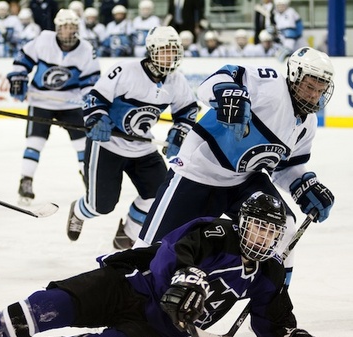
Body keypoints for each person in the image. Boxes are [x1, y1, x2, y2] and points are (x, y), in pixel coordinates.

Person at [0, 192, 323, 337]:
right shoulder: (214, 232)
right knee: (49, 305)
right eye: (257, 228)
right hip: (130, 284)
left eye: (271, 234)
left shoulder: (268, 273)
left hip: (161, 329)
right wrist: (186, 280)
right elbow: (172, 252)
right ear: (242, 223)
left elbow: (272, 317)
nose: (262, 238)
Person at [138, 47, 336, 291]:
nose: (314, 95)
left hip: (243, 181)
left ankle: (274, 300)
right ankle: (124, 294)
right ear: (294, 76)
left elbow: (286, 167)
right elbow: (211, 84)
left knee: (283, 226)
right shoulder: (271, 86)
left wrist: (304, 186)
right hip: (197, 172)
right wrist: (228, 95)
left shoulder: (308, 124)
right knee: (150, 250)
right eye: (309, 86)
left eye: (320, 89)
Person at [67, 26, 199, 250]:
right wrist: (97, 119)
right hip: (108, 145)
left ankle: (127, 232)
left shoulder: (176, 81)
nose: (170, 56)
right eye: (164, 50)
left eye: (174, 51)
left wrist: (180, 133)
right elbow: (95, 98)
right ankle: (79, 210)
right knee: (101, 206)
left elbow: (187, 111)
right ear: (151, 51)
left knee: (159, 195)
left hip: (142, 148)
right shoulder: (125, 70)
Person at [6, 9, 100, 205]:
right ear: (57, 28)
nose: (68, 31)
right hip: (40, 101)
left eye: (72, 27)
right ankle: (26, 181)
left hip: (70, 103)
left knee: (82, 145)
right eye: (64, 27)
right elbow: (22, 60)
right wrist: (18, 78)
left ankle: (90, 182)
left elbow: (91, 81)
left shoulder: (86, 49)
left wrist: (88, 98)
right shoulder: (43, 40)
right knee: (35, 142)